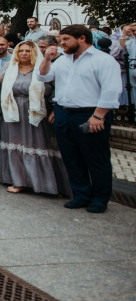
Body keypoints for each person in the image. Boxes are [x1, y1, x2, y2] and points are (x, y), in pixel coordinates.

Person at [38, 24, 122, 213]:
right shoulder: (62, 60)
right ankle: (81, 194)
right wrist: (46, 59)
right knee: (71, 156)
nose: (62, 44)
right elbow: (43, 77)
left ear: (82, 38)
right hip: (64, 113)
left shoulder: (103, 60)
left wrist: (98, 116)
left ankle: (100, 198)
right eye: (61, 40)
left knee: (95, 157)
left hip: (89, 114)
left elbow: (112, 90)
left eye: (66, 39)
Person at [0, 41, 70, 196]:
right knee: (16, 145)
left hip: (38, 111)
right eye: (21, 51)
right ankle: (19, 180)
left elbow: (59, 87)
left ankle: (43, 182)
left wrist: (55, 109)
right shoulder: (9, 68)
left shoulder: (44, 68)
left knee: (38, 144)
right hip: (13, 111)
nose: (24, 54)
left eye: (27, 51)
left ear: (34, 52)